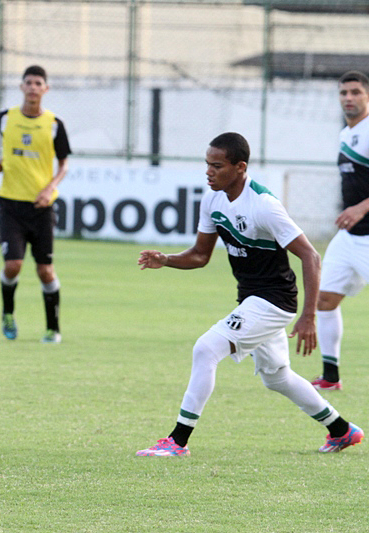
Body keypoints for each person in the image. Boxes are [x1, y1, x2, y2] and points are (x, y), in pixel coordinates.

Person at [136, 132, 363, 457]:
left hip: (274, 301)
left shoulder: (264, 205)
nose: (209, 172)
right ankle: (341, 430)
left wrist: (309, 316)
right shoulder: (212, 199)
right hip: (252, 299)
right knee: (277, 377)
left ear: (240, 167)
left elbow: (311, 256)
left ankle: (177, 441)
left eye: (217, 166)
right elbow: (200, 255)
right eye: (207, 164)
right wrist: (167, 260)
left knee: (206, 349)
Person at [0, 65, 71, 344]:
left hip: (41, 208)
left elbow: (64, 164)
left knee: (45, 270)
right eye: (28, 82)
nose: (33, 87)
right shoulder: (5, 119)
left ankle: (53, 328)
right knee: (13, 265)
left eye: (38, 83)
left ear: (46, 89)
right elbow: (9, 154)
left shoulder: (54, 124)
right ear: (21, 87)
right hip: (11, 205)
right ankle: (8, 313)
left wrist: (50, 187)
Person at [310, 70, 369, 391]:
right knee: (325, 299)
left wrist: (361, 207)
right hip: (349, 238)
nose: (349, 98)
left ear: (367, 96)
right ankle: (330, 377)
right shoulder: (347, 134)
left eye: (356, 92)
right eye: (344, 93)